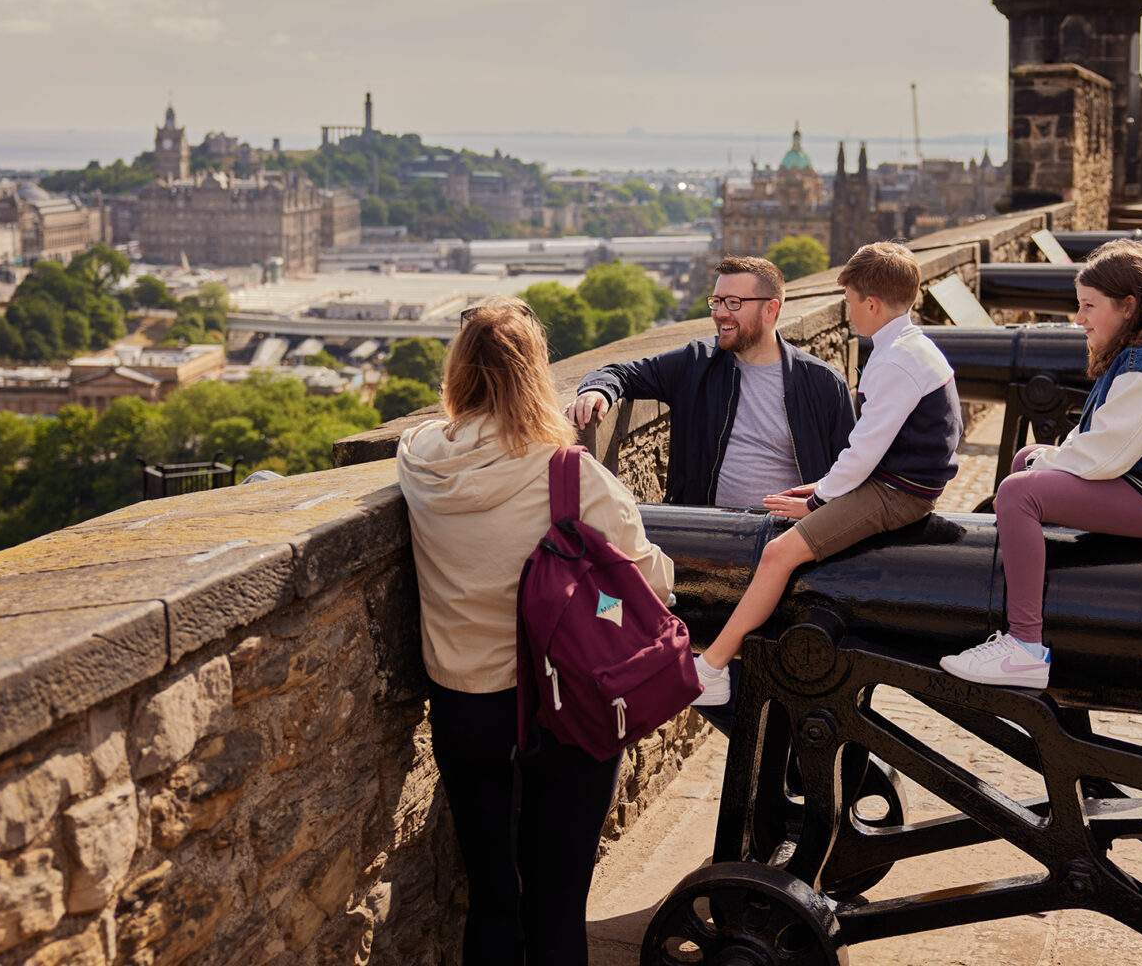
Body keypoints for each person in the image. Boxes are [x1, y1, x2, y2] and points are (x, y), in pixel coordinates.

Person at [397, 298, 674, 966]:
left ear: (458, 372)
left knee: (492, 894)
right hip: (564, 706)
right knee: (554, 901)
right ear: (534, 374)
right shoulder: (569, 474)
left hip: (466, 704)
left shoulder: (419, 459)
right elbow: (652, 584)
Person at [939, 239, 1142, 689]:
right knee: (1024, 462)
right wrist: (1042, 459)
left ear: (1128, 306)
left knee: (1018, 493)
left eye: (1089, 306)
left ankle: (1024, 647)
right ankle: (1041, 581)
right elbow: (1099, 435)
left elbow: (1102, 457)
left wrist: (1045, 464)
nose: (1079, 319)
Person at [691, 242, 963, 705]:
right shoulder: (913, 346)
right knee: (796, 503)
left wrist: (819, 501)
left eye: (851, 301)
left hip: (897, 493)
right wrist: (821, 489)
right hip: (900, 481)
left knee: (779, 553)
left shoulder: (893, 360)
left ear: (871, 304)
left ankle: (713, 665)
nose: (849, 312)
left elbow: (863, 450)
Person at [566, 255, 856, 508]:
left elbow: (849, 477)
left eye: (734, 302)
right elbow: (621, 373)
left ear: (770, 310)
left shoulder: (824, 384)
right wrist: (597, 390)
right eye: (716, 302)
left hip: (791, 537)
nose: (719, 313)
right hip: (708, 536)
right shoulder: (696, 363)